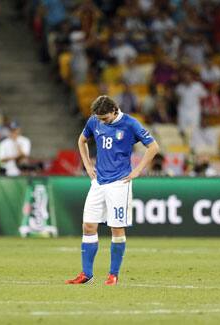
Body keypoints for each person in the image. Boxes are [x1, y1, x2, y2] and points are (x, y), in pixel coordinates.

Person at [66, 95, 159, 285]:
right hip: (98, 181)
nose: (102, 122)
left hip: (119, 183)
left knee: (116, 228)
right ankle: (87, 274)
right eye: (100, 119)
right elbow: (82, 141)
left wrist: (137, 171)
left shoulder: (130, 124)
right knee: (88, 225)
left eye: (105, 119)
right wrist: (87, 165)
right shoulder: (94, 120)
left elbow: (153, 147)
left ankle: (113, 275)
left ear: (115, 110)